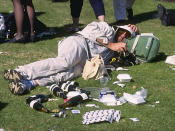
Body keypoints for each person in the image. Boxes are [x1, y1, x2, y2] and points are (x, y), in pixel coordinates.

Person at [4, 21, 139, 95]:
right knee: (65, 62)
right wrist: (111, 45)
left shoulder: (114, 53)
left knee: (67, 75)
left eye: (127, 37)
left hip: (85, 61)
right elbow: (90, 32)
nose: (123, 37)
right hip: (78, 43)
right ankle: (21, 72)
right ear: (120, 29)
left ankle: (27, 84)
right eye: (123, 33)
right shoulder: (107, 28)